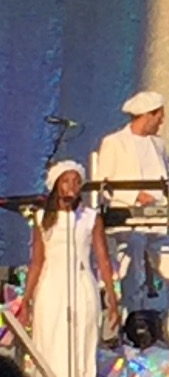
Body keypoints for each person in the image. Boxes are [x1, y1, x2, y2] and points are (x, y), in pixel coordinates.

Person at [95, 91, 169, 344]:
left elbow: (167, 181)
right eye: (159, 116)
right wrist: (135, 196)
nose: (162, 121)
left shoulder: (158, 144)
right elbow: (103, 184)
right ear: (147, 115)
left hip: (157, 220)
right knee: (133, 270)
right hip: (128, 220)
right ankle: (131, 330)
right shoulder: (114, 142)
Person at [20, 161, 120, 377]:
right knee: (51, 342)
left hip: (81, 286)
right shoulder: (41, 218)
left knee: (81, 342)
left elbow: (103, 259)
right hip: (51, 289)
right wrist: (26, 299)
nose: (72, 186)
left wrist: (112, 298)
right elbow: (37, 261)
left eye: (76, 181)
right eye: (66, 181)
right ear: (57, 185)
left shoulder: (90, 217)